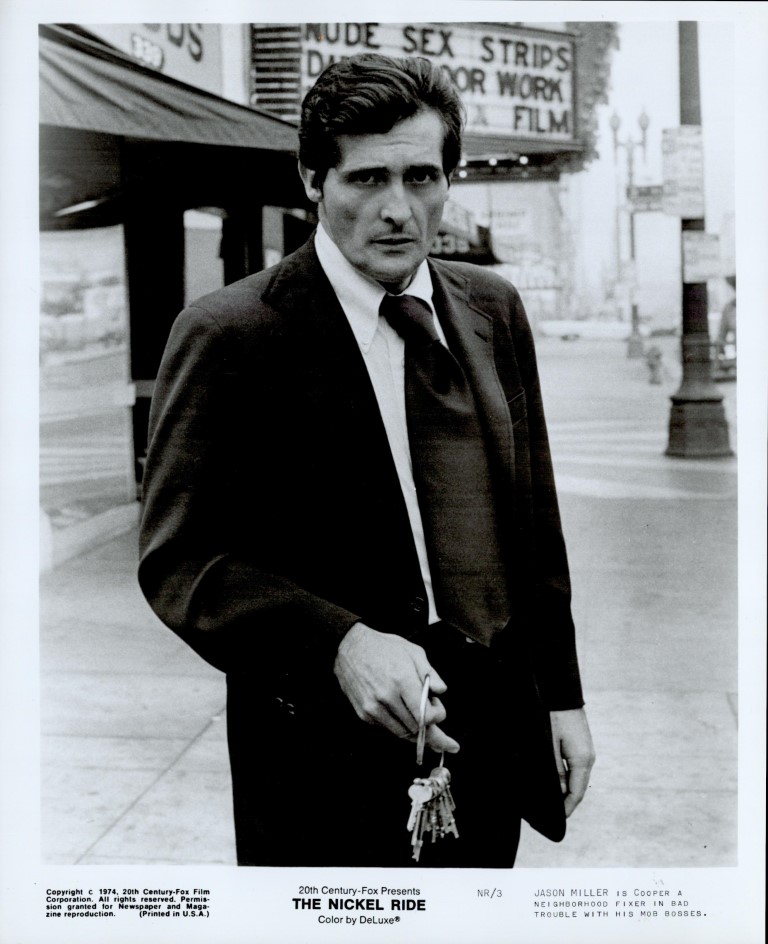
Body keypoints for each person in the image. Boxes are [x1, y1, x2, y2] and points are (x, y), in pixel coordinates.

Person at [138, 53, 594, 868]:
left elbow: (534, 522)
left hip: (490, 731)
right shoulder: (231, 334)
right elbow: (180, 559)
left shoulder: (492, 309)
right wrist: (338, 642)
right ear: (313, 180)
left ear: (449, 179)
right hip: (322, 759)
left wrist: (561, 695)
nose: (397, 210)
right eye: (367, 179)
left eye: (422, 178)